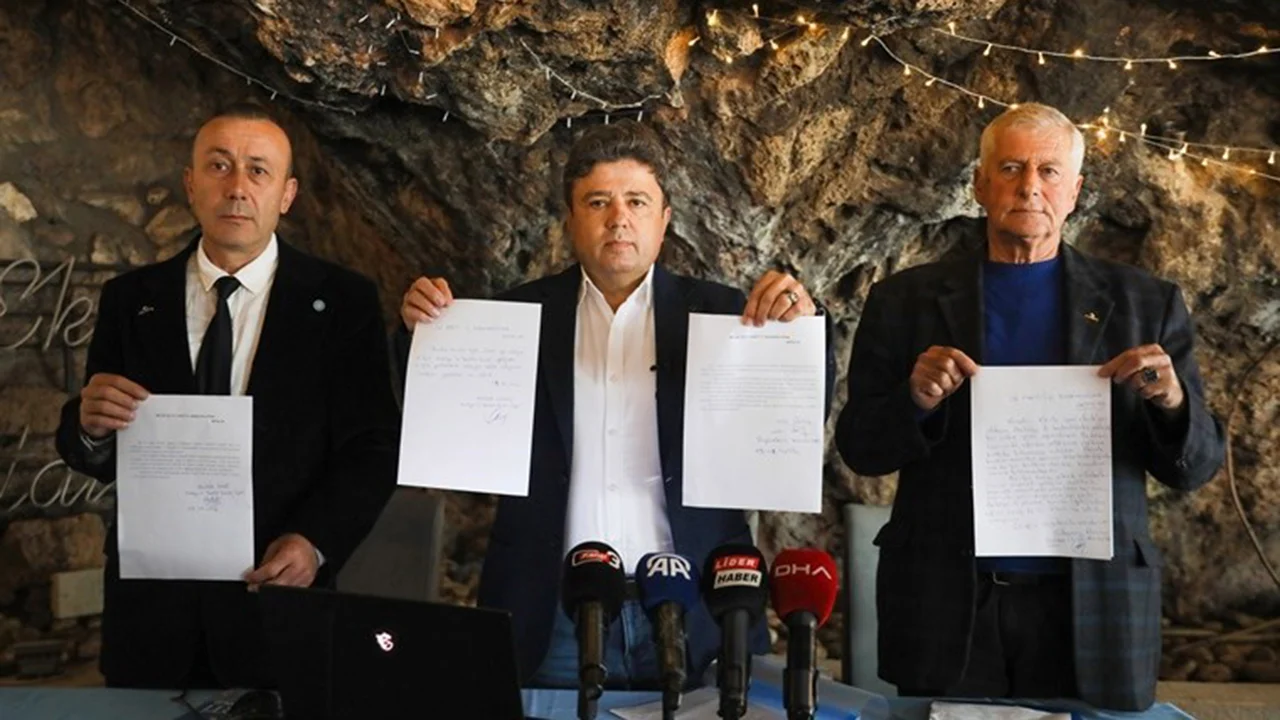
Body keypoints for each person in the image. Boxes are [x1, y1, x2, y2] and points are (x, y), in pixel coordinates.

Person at [396, 121, 835, 688]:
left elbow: (801, 420)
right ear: (570, 219)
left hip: (697, 604)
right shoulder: (508, 321)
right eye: (598, 201)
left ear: (664, 219)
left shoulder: (733, 318)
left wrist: (803, 329)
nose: (618, 218)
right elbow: (424, 418)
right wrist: (420, 335)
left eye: (637, 201)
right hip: (551, 610)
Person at [835, 103, 1225, 711]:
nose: (1029, 187)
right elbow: (861, 449)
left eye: (1048, 171)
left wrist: (1171, 401)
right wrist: (914, 400)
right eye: (1011, 168)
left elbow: (1195, 467)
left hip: (1092, 603)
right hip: (947, 600)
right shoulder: (903, 300)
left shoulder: (1146, 304)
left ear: (1075, 191)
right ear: (979, 184)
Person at [55, 103, 400, 689]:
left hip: (277, 606)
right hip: (153, 618)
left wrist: (316, 543)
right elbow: (101, 445)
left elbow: (372, 446)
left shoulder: (344, 302)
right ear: (191, 185)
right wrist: (88, 428)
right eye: (219, 166)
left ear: (286, 195)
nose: (238, 187)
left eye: (258, 170)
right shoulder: (131, 299)